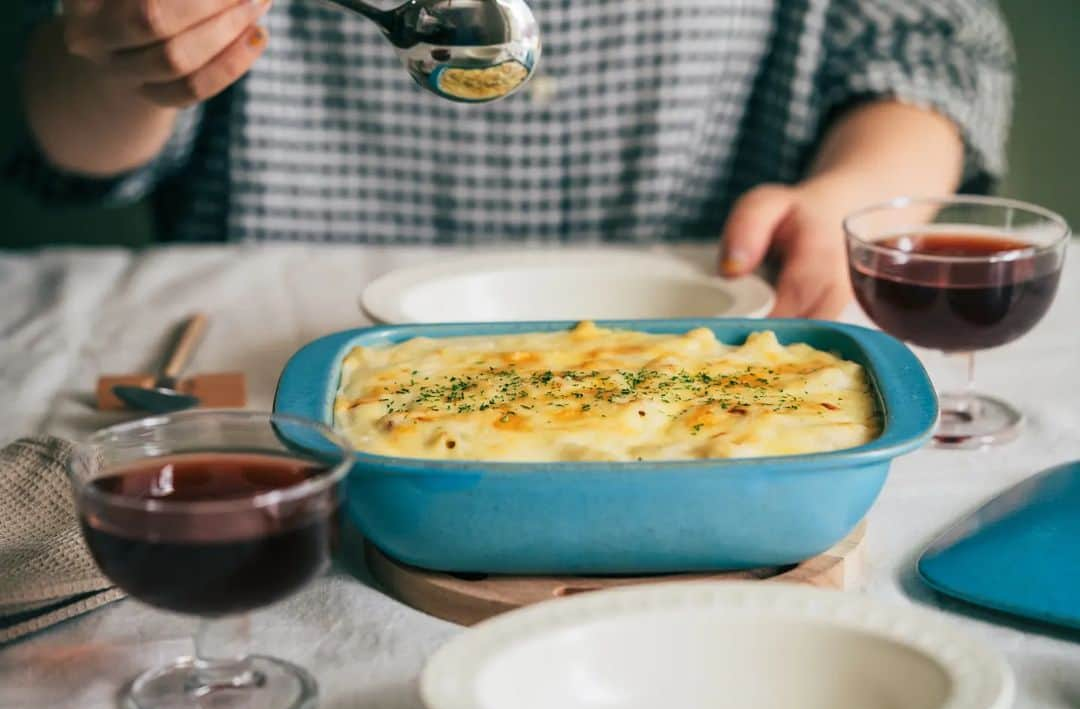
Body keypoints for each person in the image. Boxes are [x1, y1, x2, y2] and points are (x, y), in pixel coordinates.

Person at [10, 0, 1013, 319]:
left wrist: (856, 194)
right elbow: (72, 160)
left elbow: (931, 44)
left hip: (711, 322)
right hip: (279, 367)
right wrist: (124, 45)